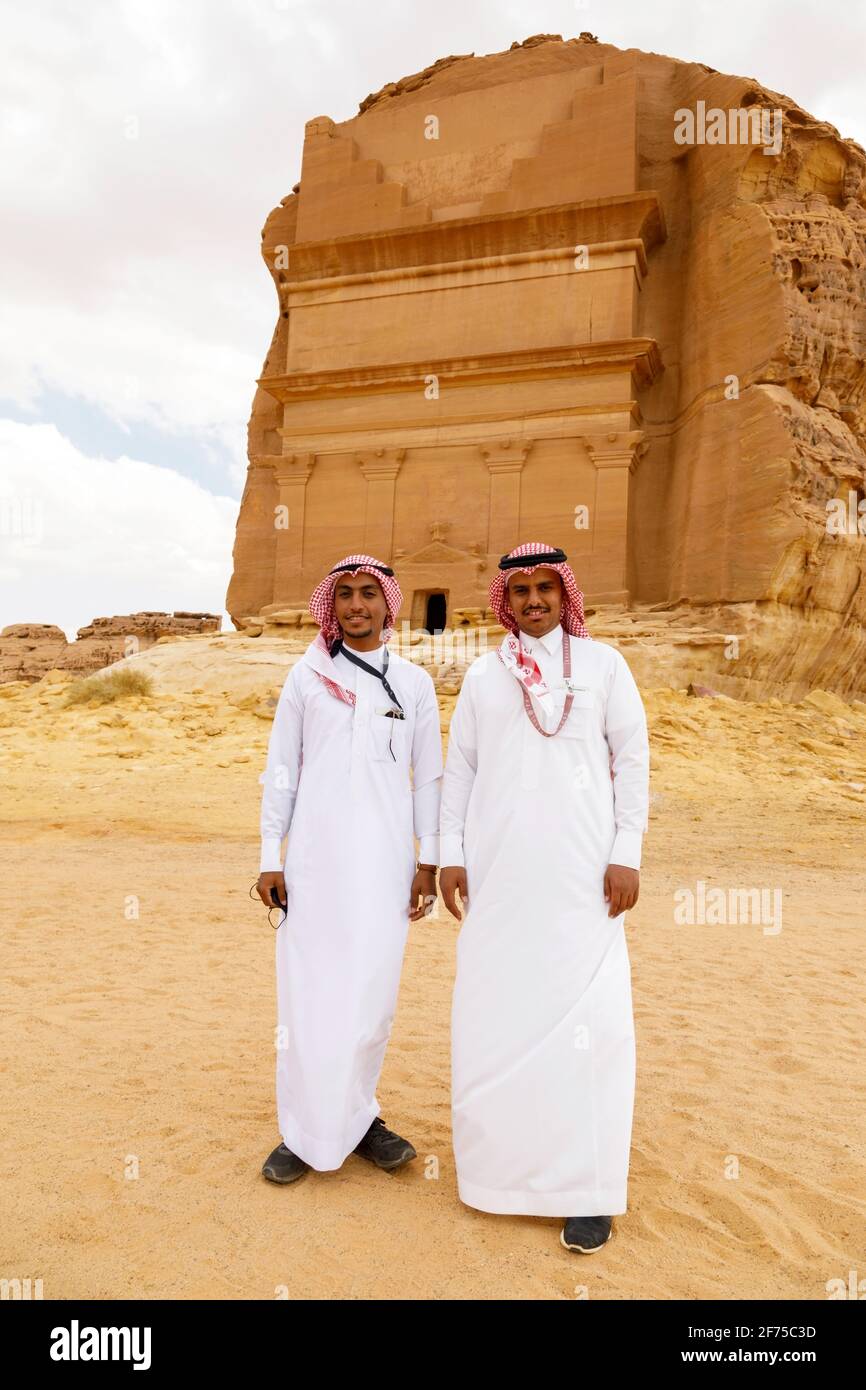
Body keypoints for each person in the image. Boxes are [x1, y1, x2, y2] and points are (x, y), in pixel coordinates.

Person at [439, 541, 649, 1253]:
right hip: (499, 876)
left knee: (591, 1024)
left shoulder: (603, 667)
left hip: (583, 876)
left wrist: (627, 853)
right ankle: (498, 1177)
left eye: (544, 589)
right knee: (494, 1015)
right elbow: (459, 771)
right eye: (520, 590)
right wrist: (450, 856)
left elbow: (632, 761)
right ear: (505, 600)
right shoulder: (481, 676)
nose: (533, 600)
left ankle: (586, 1191)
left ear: (565, 596)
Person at [257, 553, 443, 1184]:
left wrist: (428, 859)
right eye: (345, 596)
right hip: (313, 865)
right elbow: (282, 769)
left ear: (388, 603)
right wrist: (268, 856)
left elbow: (429, 778)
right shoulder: (305, 678)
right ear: (330, 608)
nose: (357, 605)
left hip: (387, 869)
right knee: (310, 999)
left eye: (369, 594)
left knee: (370, 1000)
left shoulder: (414, 684)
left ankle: (360, 1118)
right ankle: (302, 1133)